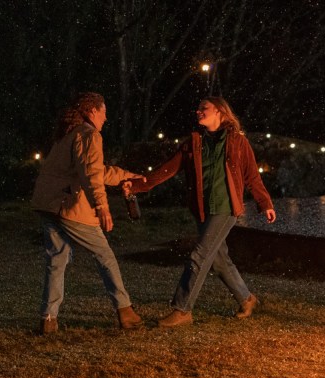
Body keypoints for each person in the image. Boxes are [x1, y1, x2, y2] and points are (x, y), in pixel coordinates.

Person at [128, 97, 276, 327]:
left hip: (226, 209)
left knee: (199, 256)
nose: (198, 112)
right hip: (203, 210)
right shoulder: (194, 143)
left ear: (220, 112)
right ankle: (247, 299)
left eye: (203, 108)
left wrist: (265, 203)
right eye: (197, 109)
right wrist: (139, 185)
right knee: (219, 260)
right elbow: (168, 169)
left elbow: (251, 176)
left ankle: (182, 309)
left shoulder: (237, 142)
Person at [30, 92, 146, 334]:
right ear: (92, 110)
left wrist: (125, 175)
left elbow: (96, 170)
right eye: (104, 111)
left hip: (49, 205)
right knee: (105, 256)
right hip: (68, 205)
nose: (106, 117)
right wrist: (101, 207)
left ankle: (48, 319)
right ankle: (126, 312)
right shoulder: (89, 134)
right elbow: (91, 174)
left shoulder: (69, 133)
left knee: (57, 260)